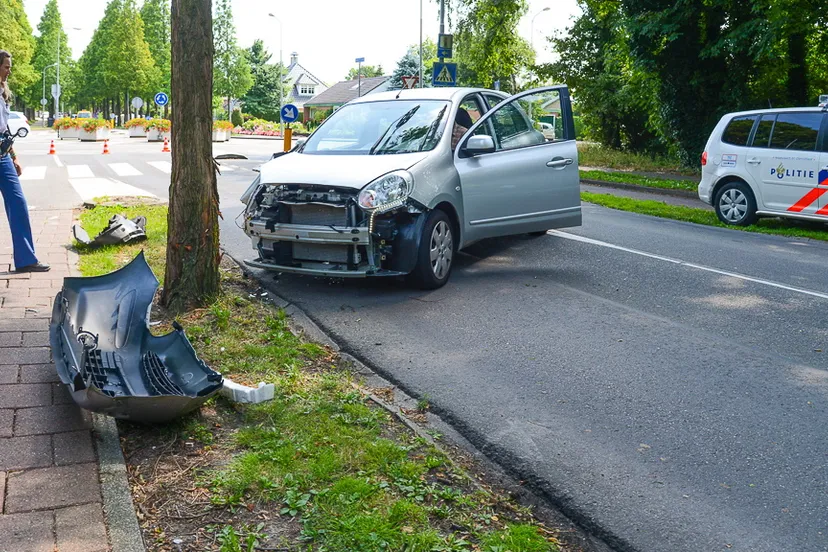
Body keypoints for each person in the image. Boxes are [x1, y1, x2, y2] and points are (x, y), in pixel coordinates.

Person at [0, 50, 49, 272]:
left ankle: (26, 259)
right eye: (6, 66)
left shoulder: (3, 92)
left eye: (9, 66)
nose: (9, 70)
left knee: (18, 204)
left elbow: (4, 129)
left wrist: (14, 156)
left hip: (3, 155)